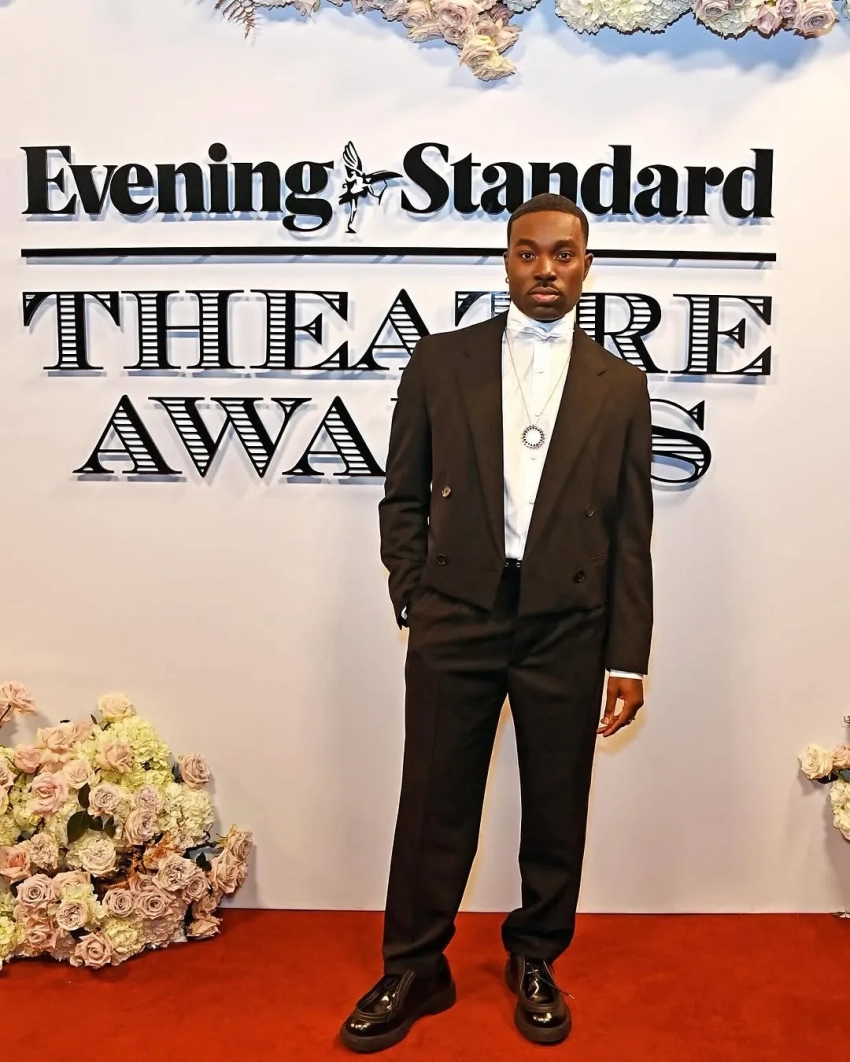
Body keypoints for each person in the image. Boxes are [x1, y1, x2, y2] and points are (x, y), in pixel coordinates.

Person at [340, 193, 654, 1052]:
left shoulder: (621, 385)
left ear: (586, 265)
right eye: (528, 252)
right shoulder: (441, 361)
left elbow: (631, 530)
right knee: (433, 801)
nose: (545, 268)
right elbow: (402, 495)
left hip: (569, 623)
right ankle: (414, 966)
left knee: (557, 803)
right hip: (458, 616)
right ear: (507, 260)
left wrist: (628, 657)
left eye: (562, 253)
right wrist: (415, 593)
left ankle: (536, 956)